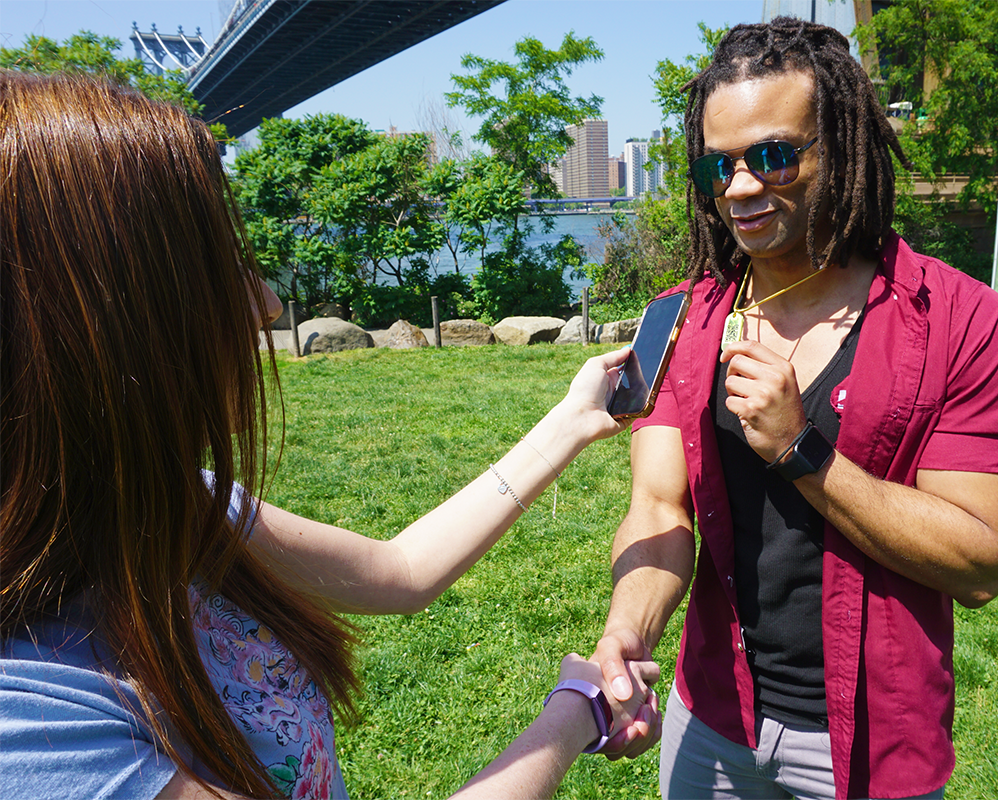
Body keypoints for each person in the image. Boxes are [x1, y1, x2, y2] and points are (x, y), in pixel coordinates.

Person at [0, 71, 659, 800]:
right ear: (83, 328)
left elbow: (400, 572)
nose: (265, 302)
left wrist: (570, 421)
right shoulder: (29, 721)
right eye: (218, 268)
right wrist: (577, 713)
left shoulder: (171, 511)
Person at [592, 18, 998, 800]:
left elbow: (981, 562)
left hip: (868, 744)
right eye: (718, 167)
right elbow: (658, 507)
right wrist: (628, 629)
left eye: (773, 156)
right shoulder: (684, 320)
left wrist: (801, 449)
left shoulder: (959, 321)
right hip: (712, 722)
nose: (739, 188)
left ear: (840, 147)